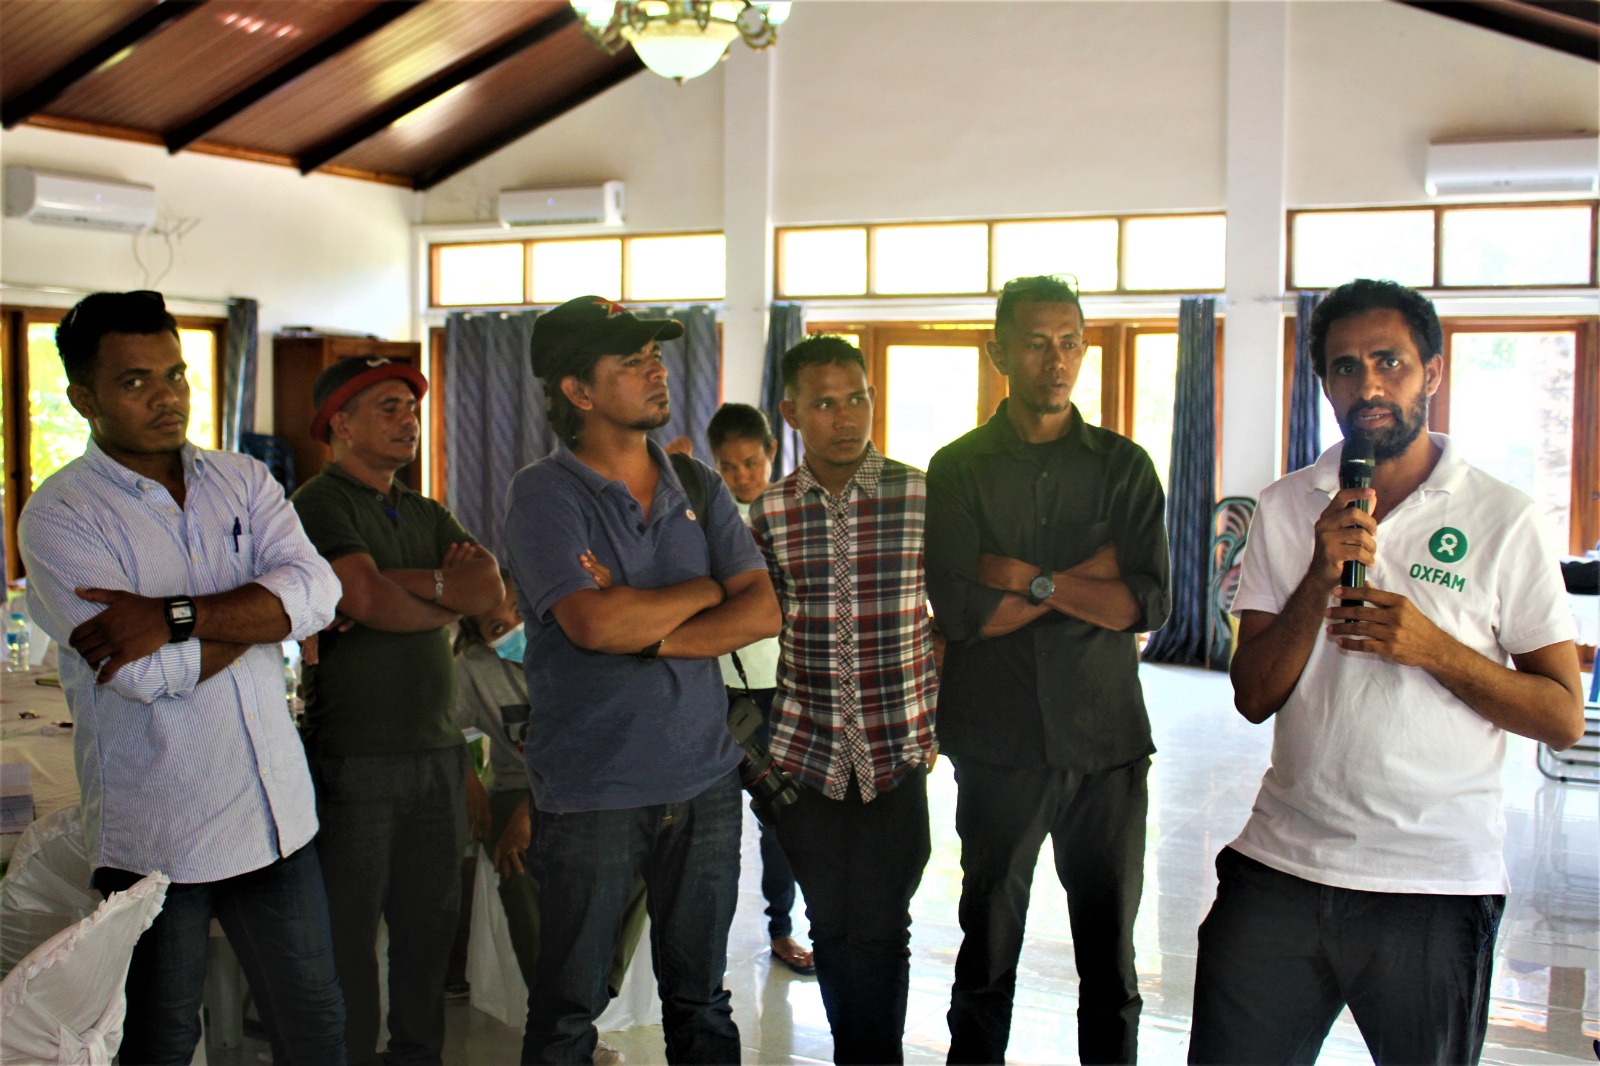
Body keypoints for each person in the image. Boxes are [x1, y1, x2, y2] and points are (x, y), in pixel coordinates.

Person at [1188, 278, 1584, 1066]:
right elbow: (1254, 695)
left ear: (1431, 371)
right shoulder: (1287, 505)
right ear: (1323, 382)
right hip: (1283, 863)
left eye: (1389, 362)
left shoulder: (1504, 517)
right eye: (1345, 367)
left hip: (1434, 883)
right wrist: (1319, 572)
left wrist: (1432, 648)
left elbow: (1562, 717)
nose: (1367, 384)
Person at [18, 290, 347, 1064]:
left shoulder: (242, 480)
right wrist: (262, 617)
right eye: (135, 381)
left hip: (275, 815)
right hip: (158, 835)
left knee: (315, 1029)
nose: (166, 397)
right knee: (160, 1041)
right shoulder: (61, 515)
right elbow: (149, 675)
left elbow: (321, 594)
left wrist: (175, 614)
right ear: (84, 398)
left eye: (175, 374)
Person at [504, 295, 780, 1063]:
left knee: (703, 1002)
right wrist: (706, 588)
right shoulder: (544, 493)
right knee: (567, 1011)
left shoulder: (695, 482)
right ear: (578, 391)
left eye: (655, 356)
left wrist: (647, 631)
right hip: (594, 787)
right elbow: (592, 626)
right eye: (631, 362)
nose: (657, 371)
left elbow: (762, 611)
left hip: (704, 780)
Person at [925, 275, 1171, 1065]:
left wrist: (1028, 580)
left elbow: (1144, 604)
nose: (1055, 360)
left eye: (1069, 342)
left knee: (1110, 961)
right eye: (1035, 344)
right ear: (999, 352)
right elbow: (962, 614)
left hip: (1106, 747)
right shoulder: (958, 469)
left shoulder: (1123, 466)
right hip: (997, 746)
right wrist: (1082, 581)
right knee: (986, 955)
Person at [291, 356, 505, 1066]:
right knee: (349, 935)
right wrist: (438, 597)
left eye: (411, 408)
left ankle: (417, 1057)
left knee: (428, 930)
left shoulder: (424, 510)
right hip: (357, 755)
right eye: (388, 407)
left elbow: (489, 591)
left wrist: (394, 589)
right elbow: (359, 597)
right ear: (340, 424)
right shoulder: (321, 503)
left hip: (436, 752)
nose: (408, 419)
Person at [747, 336, 938, 1064]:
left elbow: (954, 615)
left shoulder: (919, 495)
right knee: (831, 925)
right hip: (807, 753)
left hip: (896, 752)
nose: (845, 416)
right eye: (825, 403)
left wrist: (933, 715)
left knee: (885, 926)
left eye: (856, 398)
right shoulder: (770, 512)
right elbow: (754, 617)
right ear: (792, 412)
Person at [453, 570, 643, 1066]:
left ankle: (586, 996)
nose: (514, 628)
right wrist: (470, 779)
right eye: (498, 627)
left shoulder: (578, 643)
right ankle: (560, 1015)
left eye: (520, 612)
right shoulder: (474, 667)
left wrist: (532, 812)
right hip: (516, 786)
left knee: (645, 856)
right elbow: (444, 727)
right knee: (517, 865)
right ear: (482, 639)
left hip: (593, 781)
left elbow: (593, 738)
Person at [706, 402, 814, 977]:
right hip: (719, 689)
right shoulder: (709, 518)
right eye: (729, 466)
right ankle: (707, 939)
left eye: (750, 462)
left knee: (782, 813)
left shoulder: (790, 515)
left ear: (771, 452)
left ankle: (782, 928)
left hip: (784, 686)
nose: (742, 475)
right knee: (715, 819)